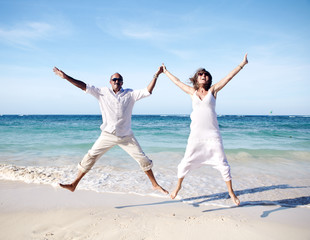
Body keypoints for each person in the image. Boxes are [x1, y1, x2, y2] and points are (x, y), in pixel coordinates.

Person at [53, 66, 168, 194]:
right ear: (110, 82)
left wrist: (156, 74)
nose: (116, 82)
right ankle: (74, 184)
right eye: (114, 79)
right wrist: (65, 77)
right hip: (107, 134)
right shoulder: (102, 92)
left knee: (143, 159)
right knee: (90, 156)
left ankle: (155, 185)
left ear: (122, 82)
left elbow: (148, 91)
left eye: (119, 80)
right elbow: (83, 86)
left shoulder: (130, 94)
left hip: (126, 137)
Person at [162, 54, 248, 205]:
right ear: (196, 79)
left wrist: (242, 64)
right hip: (195, 136)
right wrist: (165, 71)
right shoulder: (192, 92)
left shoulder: (213, 91)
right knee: (185, 162)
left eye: (206, 75)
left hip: (213, 135)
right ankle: (178, 187)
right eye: (200, 74)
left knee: (223, 164)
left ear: (209, 79)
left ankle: (231, 193)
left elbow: (228, 77)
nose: (203, 76)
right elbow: (177, 82)